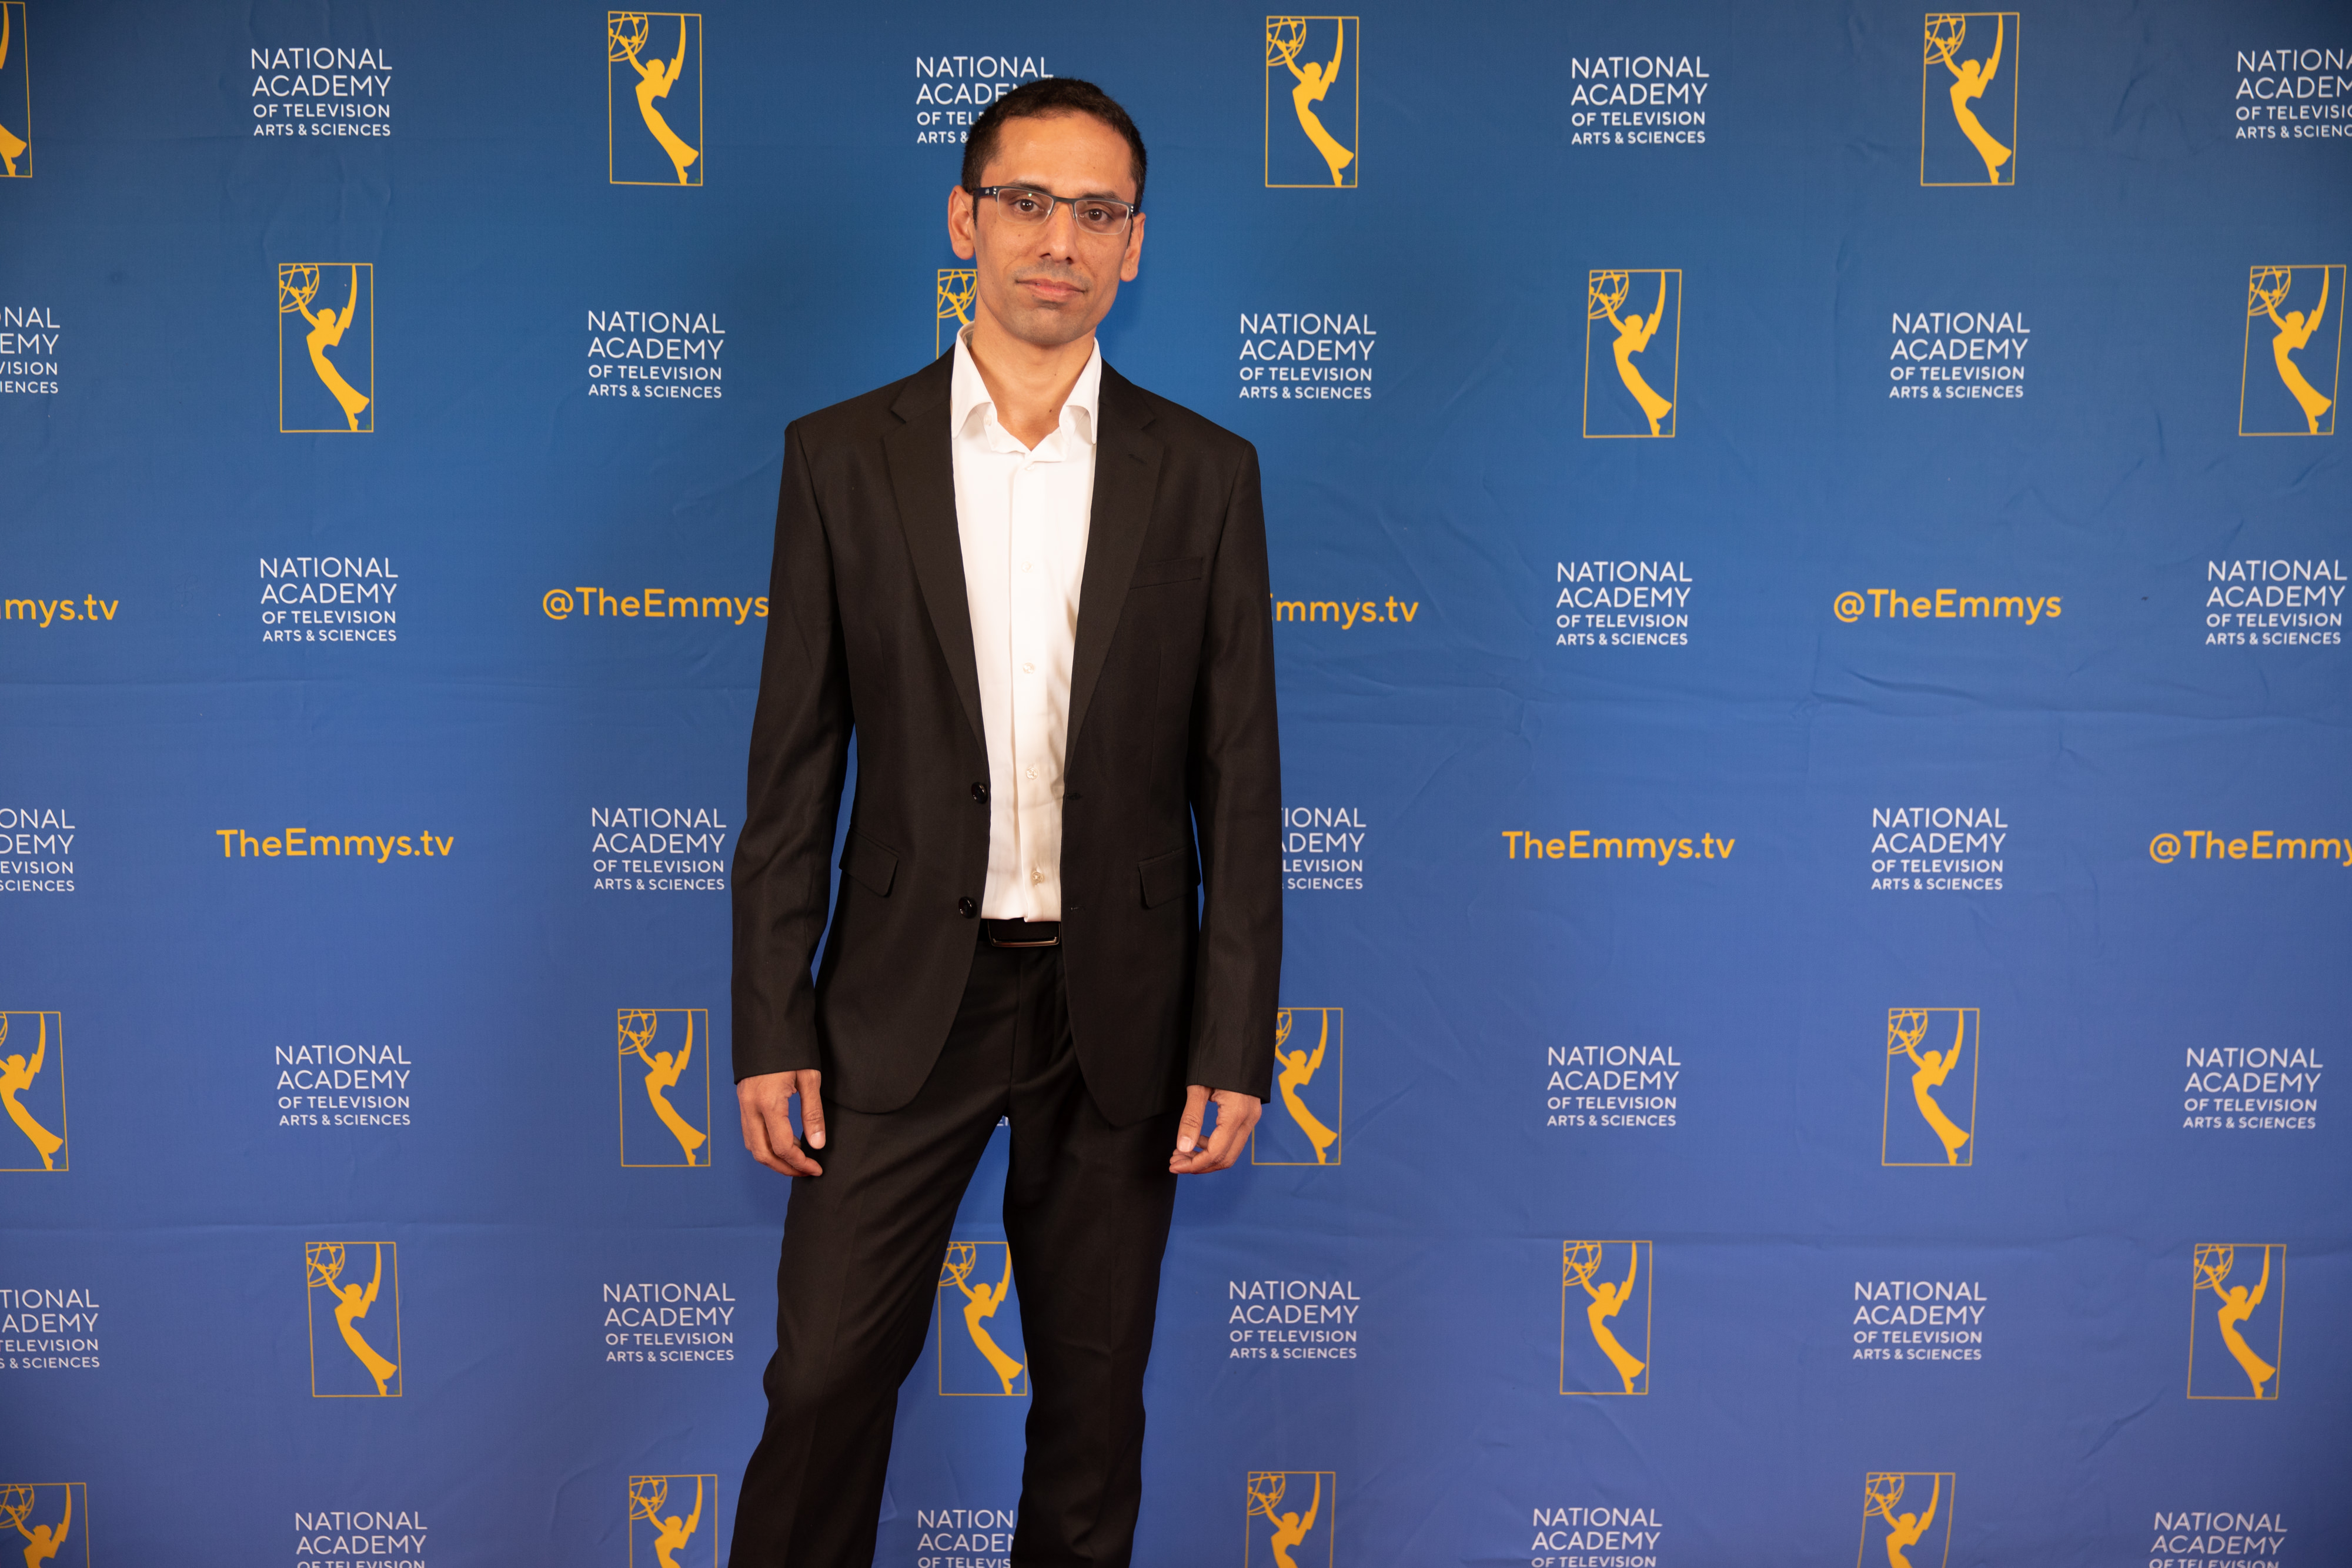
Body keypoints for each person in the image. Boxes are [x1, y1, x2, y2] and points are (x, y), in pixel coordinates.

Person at [727, 77, 1282, 1566]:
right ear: (964, 219)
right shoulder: (841, 457)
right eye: (1027, 203)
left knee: (1091, 1413)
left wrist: (1233, 1037)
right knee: (823, 1378)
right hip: (899, 996)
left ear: (1134, 245)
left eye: (1096, 212)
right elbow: (792, 769)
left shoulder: (1205, 474)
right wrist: (771, 1021)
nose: (1059, 241)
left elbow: (1239, 779)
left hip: (1122, 1008)